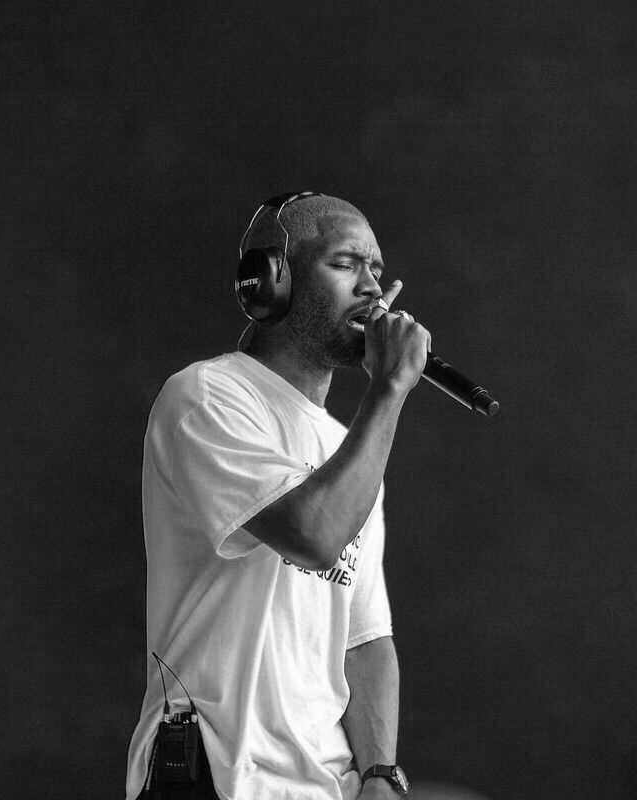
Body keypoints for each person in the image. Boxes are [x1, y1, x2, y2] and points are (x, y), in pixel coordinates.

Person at [125, 192, 431, 800]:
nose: (372, 288)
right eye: (346, 264)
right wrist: (389, 391)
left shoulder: (349, 445)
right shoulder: (208, 395)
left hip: (324, 784)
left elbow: (365, 638)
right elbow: (314, 537)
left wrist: (379, 774)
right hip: (219, 771)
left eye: (377, 268)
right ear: (272, 281)